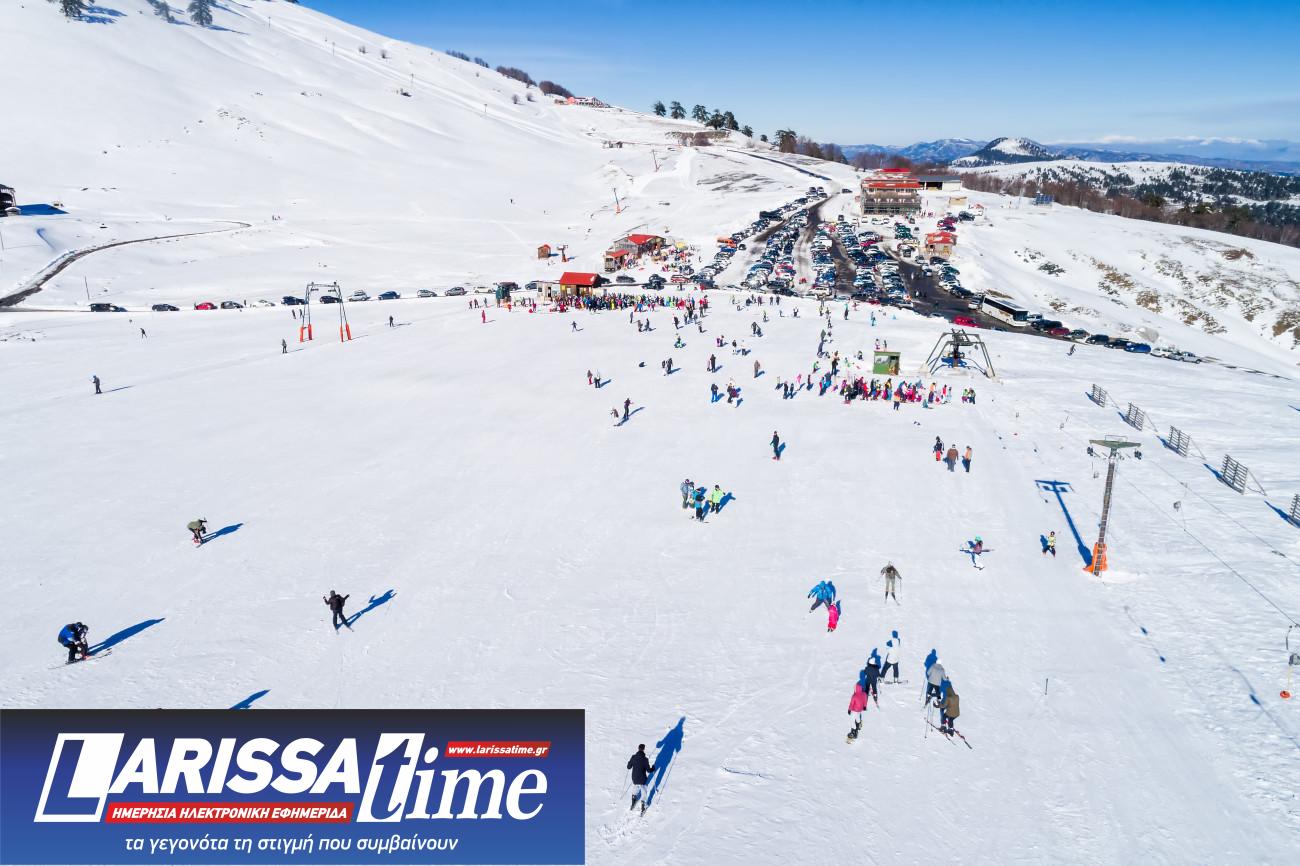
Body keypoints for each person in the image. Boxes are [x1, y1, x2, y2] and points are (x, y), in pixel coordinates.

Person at [627, 744, 655, 814]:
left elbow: (628, 767)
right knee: (644, 791)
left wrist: (629, 762)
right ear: (644, 749)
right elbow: (649, 770)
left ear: (638, 748)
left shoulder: (633, 757)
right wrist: (653, 768)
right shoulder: (645, 759)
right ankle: (643, 805)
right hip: (643, 779)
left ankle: (633, 802)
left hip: (634, 778)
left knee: (636, 787)